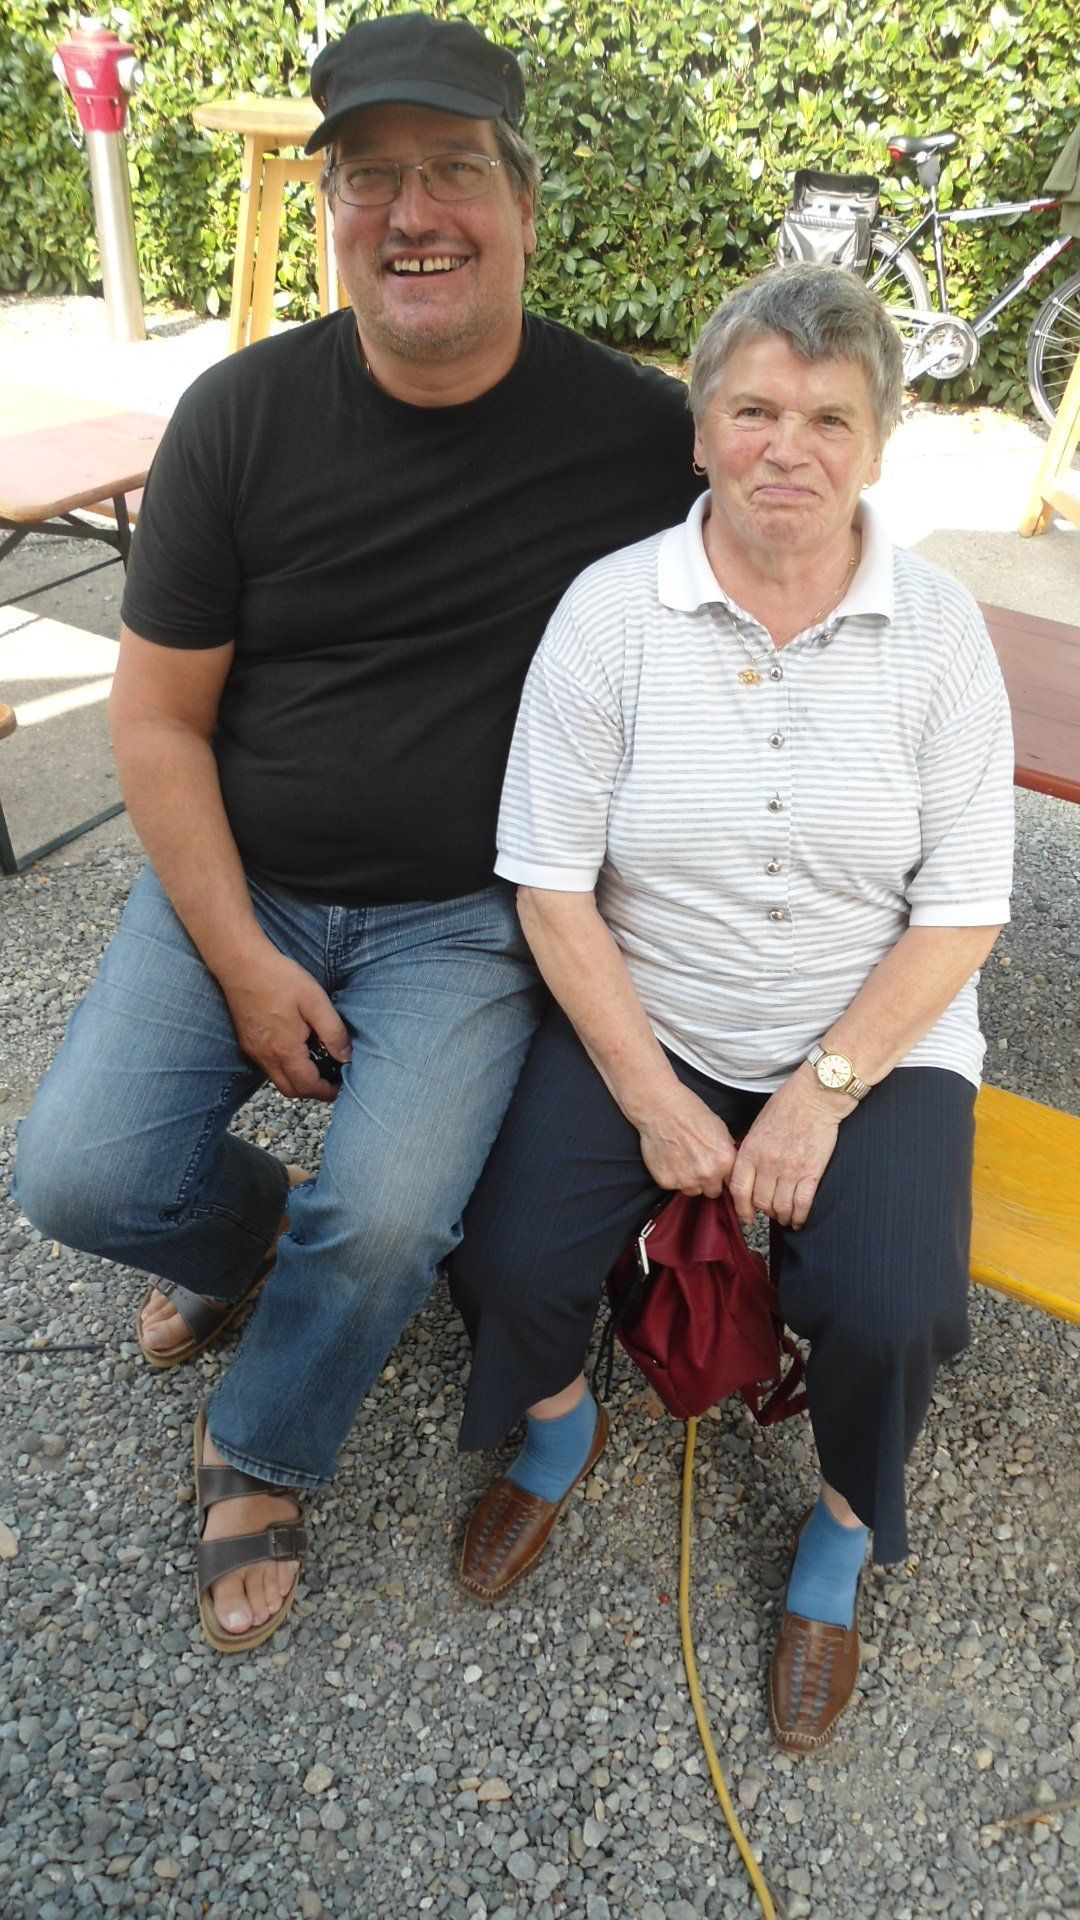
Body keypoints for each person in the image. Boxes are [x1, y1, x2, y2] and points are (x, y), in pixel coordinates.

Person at [12, 11, 702, 1654]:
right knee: (80, 1179)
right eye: (369, 178)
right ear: (328, 212)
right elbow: (156, 722)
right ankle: (254, 1237)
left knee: (390, 1219)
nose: (412, 213)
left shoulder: (635, 434)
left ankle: (261, 1443)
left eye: (453, 169)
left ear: (524, 205)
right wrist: (245, 963)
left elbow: (798, 531)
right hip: (239, 882)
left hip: (468, 914)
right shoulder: (239, 417)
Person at [449, 264, 1014, 1754]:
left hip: (873, 1036)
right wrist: (653, 1097)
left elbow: (964, 909)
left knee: (895, 1311)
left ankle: (841, 1530)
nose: (788, 449)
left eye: (830, 418)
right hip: (660, 1015)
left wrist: (822, 1093)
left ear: (877, 444)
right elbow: (551, 888)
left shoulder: (942, 630)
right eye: (754, 410)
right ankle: (559, 1425)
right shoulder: (610, 612)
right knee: (503, 1255)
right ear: (700, 430)